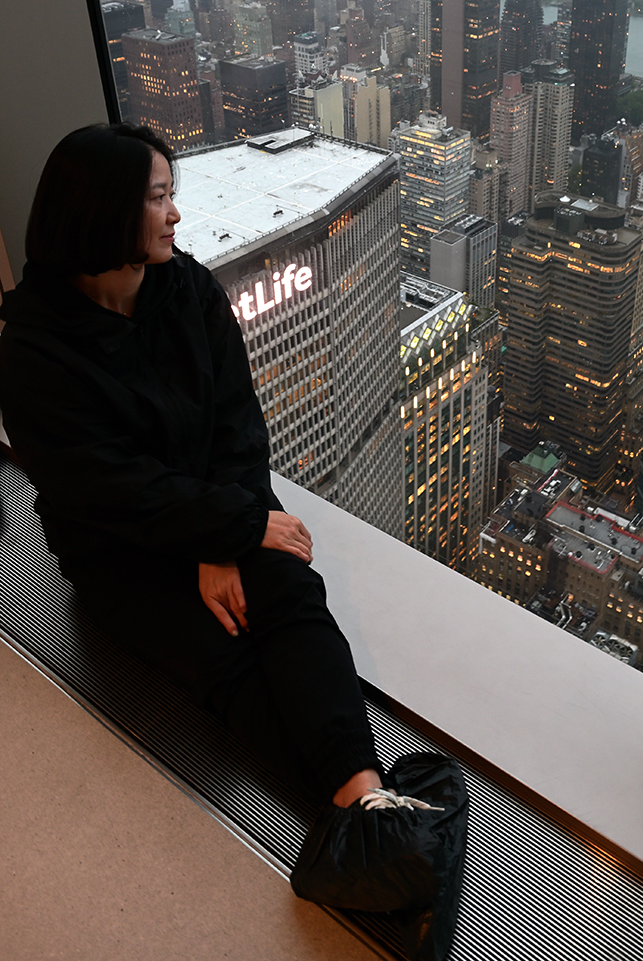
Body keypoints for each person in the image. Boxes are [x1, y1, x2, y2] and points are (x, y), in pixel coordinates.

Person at [0, 123, 467, 959]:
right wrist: (222, 532)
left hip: (223, 503)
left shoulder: (185, 288)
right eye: (157, 198)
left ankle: (366, 812)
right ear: (104, 211)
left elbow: (237, 425)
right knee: (224, 655)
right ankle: (389, 824)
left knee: (287, 590)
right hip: (119, 549)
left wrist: (227, 539)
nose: (175, 215)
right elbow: (105, 489)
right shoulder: (33, 352)